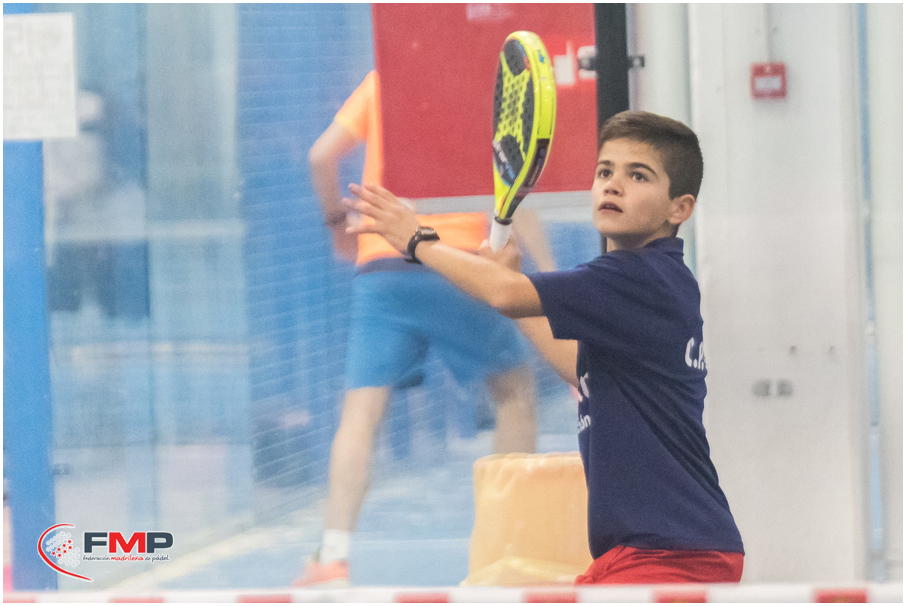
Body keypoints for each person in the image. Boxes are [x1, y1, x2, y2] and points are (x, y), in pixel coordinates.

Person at [344, 110, 745, 584]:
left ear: (680, 208)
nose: (614, 185)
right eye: (605, 172)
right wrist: (512, 290)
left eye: (638, 176)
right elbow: (577, 366)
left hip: (671, 554)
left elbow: (503, 293)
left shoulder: (638, 276)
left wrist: (417, 240)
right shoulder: (650, 281)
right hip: (652, 550)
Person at [295, 71, 555, 587]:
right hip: (456, 263)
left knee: (361, 414)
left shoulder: (383, 80)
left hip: (382, 266)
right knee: (513, 393)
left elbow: (321, 156)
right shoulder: (490, 86)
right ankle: (507, 548)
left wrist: (337, 227)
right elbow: (515, 191)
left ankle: (331, 558)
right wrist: (548, 279)